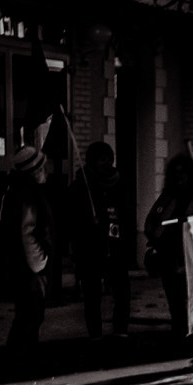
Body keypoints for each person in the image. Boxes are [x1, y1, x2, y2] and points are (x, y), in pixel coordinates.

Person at [143, 153, 193, 369]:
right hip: (170, 258)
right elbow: (151, 223)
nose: (180, 177)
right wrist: (157, 237)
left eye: (184, 173)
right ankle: (181, 338)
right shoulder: (167, 197)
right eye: (176, 173)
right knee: (175, 302)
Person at [2, 144, 57, 365]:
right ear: (35, 170)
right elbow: (28, 231)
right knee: (32, 313)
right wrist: (39, 264)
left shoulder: (17, 191)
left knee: (27, 313)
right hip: (29, 267)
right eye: (43, 166)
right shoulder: (28, 194)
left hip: (21, 266)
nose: (47, 170)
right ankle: (20, 358)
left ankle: (22, 355)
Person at [73, 141, 131, 345]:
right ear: (91, 161)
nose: (105, 163)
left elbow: (126, 212)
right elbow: (72, 218)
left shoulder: (119, 182)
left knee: (122, 290)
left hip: (116, 245)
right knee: (92, 294)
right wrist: (90, 222)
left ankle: (121, 330)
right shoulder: (83, 184)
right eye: (100, 159)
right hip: (91, 248)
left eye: (108, 158)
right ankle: (95, 333)